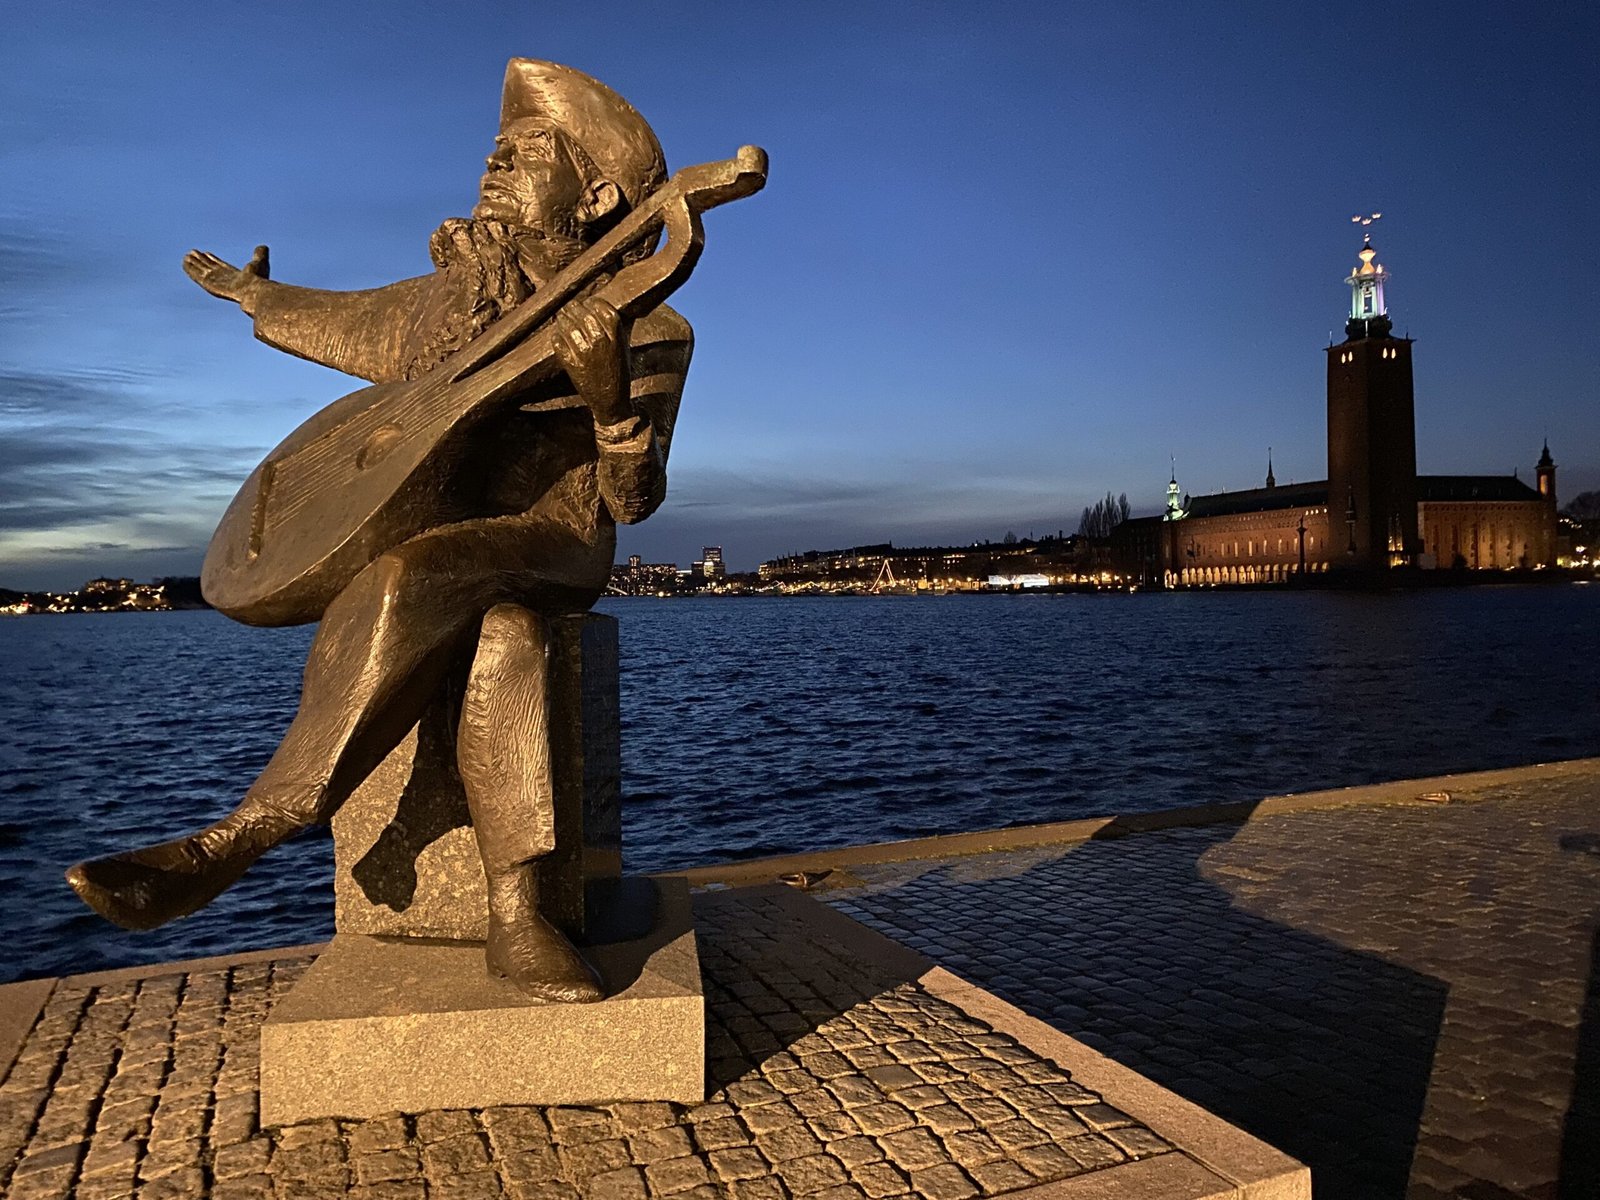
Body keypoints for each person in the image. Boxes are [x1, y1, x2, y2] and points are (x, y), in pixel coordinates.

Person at [66, 60, 692, 1003]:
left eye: (527, 154)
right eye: (493, 152)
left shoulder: (651, 326)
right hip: (457, 553)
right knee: (504, 635)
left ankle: (252, 830)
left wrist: (610, 406)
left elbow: (631, 500)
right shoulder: (443, 304)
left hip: (556, 540)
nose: (495, 164)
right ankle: (518, 915)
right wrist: (253, 294)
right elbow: (339, 319)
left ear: (596, 193)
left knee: (413, 573)